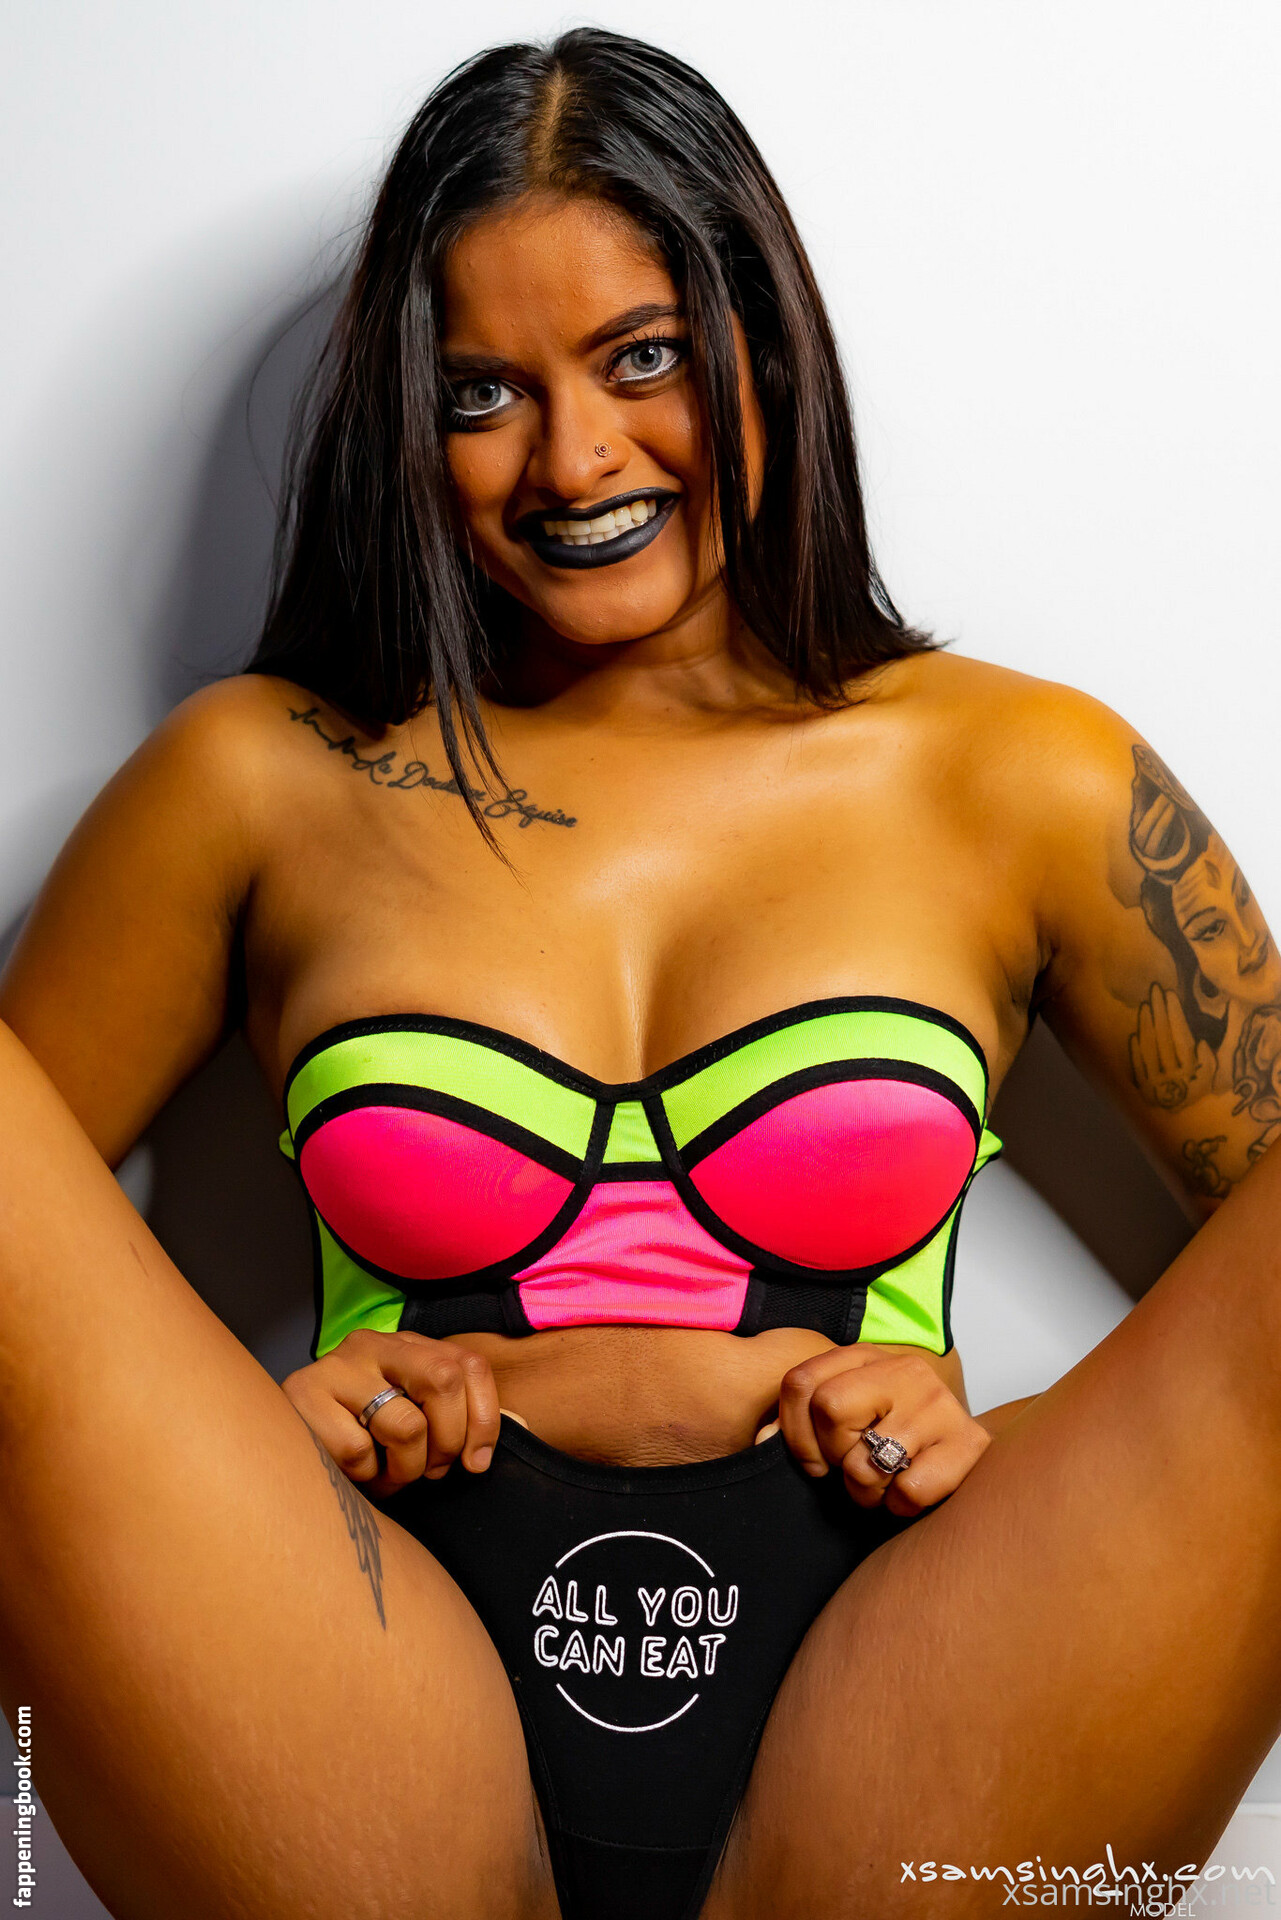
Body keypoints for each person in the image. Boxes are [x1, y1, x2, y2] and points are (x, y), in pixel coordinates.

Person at [1, 26, 1279, 1920]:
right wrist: (245, 1443)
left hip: (911, 1661)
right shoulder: (258, 780)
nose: (575, 459)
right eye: (483, 392)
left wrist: (987, 1440)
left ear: (765, 345)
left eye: (643, 357)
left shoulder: (1020, 774)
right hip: (363, 1654)